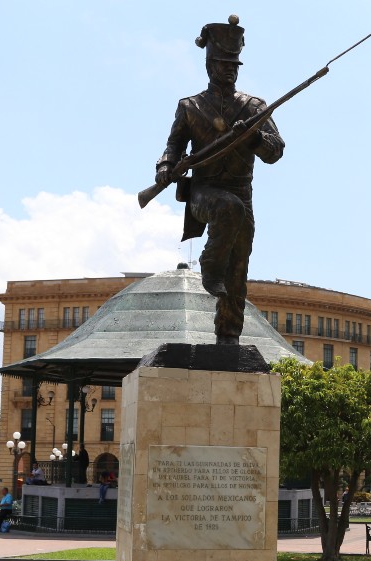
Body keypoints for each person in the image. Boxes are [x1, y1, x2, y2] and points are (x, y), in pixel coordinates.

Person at [150, 15, 285, 345]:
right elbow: (173, 145)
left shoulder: (254, 107)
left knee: (238, 269)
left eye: (234, 64)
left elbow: (276, 151)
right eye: (223, 63)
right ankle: (210, 262)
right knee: (228, 208)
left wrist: (253, 138)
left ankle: (228, 336)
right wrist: (165, 167)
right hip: (205, 193)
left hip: (242, 192)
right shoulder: (191, 106)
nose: (230, 69)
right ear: (210, 64)